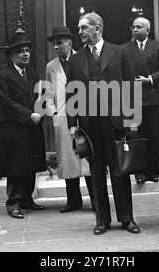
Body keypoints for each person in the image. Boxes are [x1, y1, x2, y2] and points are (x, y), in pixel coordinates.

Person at [66, 12, 140, 235]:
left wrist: (133, 120)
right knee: (96, 172)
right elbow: (71, 93)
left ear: (97, 28)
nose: (79, 32)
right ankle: (102, 220)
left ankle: (127, 218)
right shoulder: (76, 59)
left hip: (115, 122)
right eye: (79, 28)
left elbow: (130, 86)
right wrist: (72, 124)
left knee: (120, 170)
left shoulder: (119, 52)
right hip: (90, 125)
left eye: (83, 28)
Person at [0, 34, 46, 219]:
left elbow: (42, 96)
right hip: (14, 127)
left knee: (30, 164)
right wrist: (28, 115)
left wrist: (41, 113)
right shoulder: (3, 75)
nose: (25, 54)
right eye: (21, 51)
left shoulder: (33, 74)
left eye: (27, 50)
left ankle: (27, 199)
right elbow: (5, 101)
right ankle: (13, 203)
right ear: (12, 56)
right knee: (16, 166)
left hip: (32, 125)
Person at [45, 26, 95, 213]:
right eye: (54, 44)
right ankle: (73, 201)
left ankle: (96, 199)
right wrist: (54, 115)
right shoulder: (51, 66)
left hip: (85, 116)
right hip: (63, 118)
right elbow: (48, 93)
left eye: (59, 43)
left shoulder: (84, 58)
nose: (56, 47)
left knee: (88, 158)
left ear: (70, 43)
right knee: (68, 161)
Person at [122, 17, 159, 183]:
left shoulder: (158, 47)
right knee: (136, 137)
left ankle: (153, 172)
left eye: (139, 27)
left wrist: (149, 79)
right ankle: (139, 173)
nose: (135, 30)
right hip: (134, 99)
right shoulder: (125, 48)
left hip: (153, 99)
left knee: (154, 137)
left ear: (147, 30)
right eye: (133, 27)